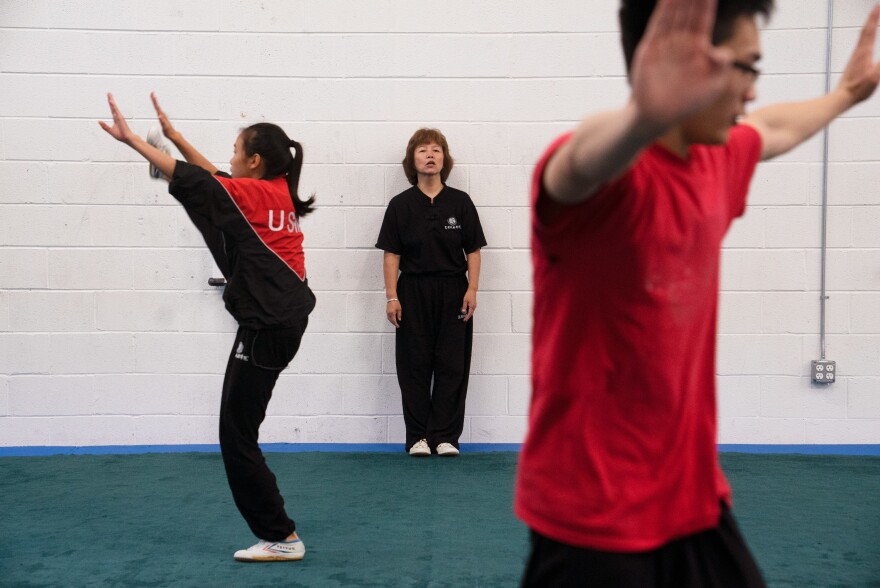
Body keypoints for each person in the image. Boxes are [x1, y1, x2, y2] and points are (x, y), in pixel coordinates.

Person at [515, 0, 880, 585]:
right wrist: (642, 116)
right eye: (746, 68)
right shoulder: (606, 181)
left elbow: (776, 129)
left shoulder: (716, 158)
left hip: (691, 498)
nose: (753, 92)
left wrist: (846, 95)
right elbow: (575, 163)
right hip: (592, 513)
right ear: (683, 63)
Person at [100, 93, 317, 562]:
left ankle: (281, 536)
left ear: (255, 160)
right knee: (241, 431)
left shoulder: (251, 193)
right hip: (284, 320)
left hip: (267, 327)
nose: (231, 157)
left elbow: (198, 179)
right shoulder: (274, 190)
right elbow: (217, 181)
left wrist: (136, 141)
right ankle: (279, 533)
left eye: (237, 150)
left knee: (236, 436)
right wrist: (175, 138)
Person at [375, 128, 487, 457]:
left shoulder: (460, 203)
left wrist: (472, 288)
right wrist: (392, 296)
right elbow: (391, 254)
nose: (430, 155)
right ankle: (418, 437)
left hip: (454, 290)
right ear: (412, 160)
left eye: (436, 150)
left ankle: (445, 436)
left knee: (452, 365)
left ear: (444, 159)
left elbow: (474, 251)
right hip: (412, 292)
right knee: (414, 364)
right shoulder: (400, 206)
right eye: (423, 150)